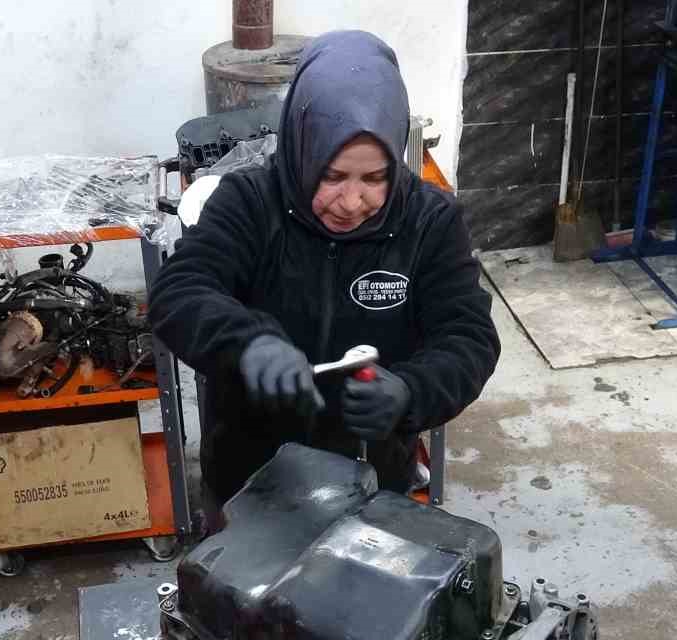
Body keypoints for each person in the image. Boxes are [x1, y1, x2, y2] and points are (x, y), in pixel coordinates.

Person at [149, 30, 500, 510]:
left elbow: (468, 338)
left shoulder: (429, 222)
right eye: (332, 176)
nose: (352, 202)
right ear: (301, 148)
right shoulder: (248, 203)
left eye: (375, 178)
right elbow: (180, 292)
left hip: (373, 481)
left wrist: (410, 392)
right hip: (250, 481)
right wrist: (247, 344)